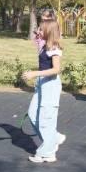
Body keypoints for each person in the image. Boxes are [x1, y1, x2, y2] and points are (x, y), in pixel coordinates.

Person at [21, 19, 66, 163]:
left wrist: (34, 74)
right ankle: (54, 138)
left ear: (48, 31)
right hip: (42, 83)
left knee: (46, 119)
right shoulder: (44, 44)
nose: (38, 32)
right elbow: (36, 39)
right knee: (33, 113)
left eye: (41, 29)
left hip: (50, 85)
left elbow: (56, 69)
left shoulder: (54, 48)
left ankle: (47, 153)